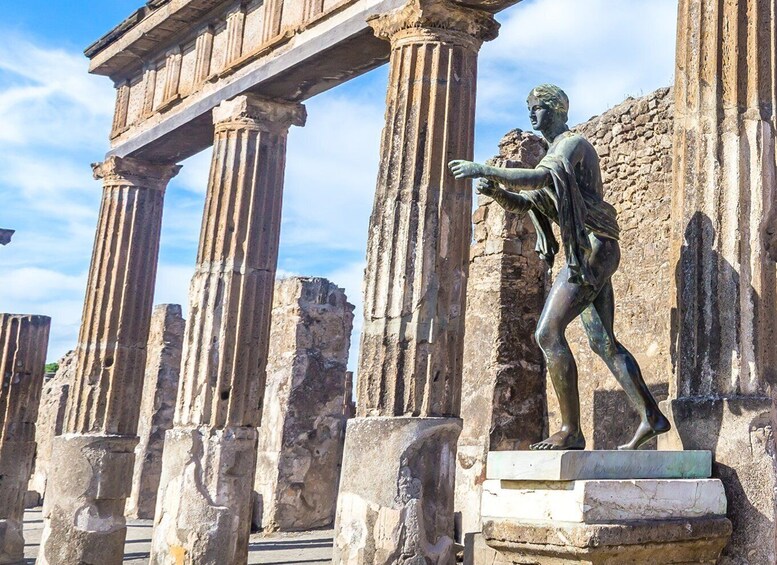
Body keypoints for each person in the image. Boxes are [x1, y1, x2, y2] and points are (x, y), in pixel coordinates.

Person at [449, 84, 670, 450]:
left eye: (538, 107)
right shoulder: (553, 155)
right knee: (602, 342)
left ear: (558, 110)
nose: (531, 114)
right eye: (529, 107)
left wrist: (483, 169)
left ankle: (570, 430)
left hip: (592, 249)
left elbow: (539, 180)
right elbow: (528, 202)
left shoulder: (572, 145)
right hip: (593, 250)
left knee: (548, 333)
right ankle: (651, 416)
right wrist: (497, 192)